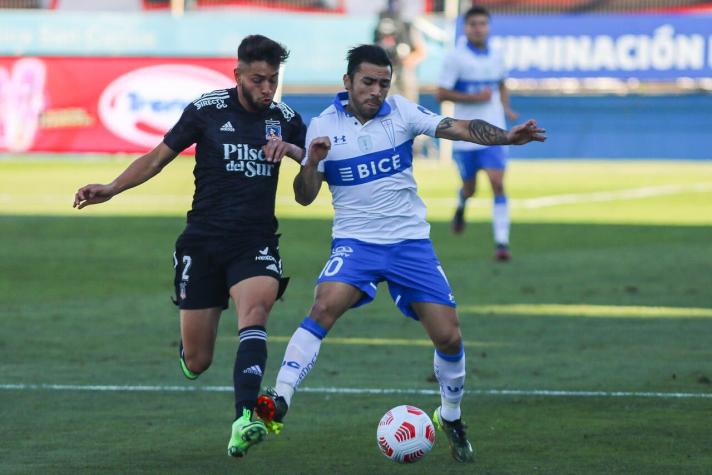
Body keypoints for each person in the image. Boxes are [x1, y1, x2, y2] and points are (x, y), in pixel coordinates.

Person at [254, 44, 545, 463]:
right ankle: (279, 397)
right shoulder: (323, 124)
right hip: (356, 242)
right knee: (323, 306)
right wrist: (312, 163)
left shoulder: (403, 113)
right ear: (348, 82)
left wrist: (504, 137)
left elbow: (455, 127)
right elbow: (304, 197)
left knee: (449, 335)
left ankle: (450, 415)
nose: (376, 91)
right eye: (368, 82)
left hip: (410, 243)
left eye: (383, 83)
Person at [72, 35, 307, 458]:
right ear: (238, 75)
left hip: (255, 241)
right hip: (202, 243)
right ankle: (190, 349)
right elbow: (157, 157)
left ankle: (244, 418)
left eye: (273, 80)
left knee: (255, 312)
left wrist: (296, 154)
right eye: (258, 79)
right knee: (198, 362)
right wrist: (112, 188)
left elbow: (309, 188)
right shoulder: (206, 110)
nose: (267, 89)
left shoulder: (287, 119)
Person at [437, 5, 519, 261]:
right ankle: (462, 205)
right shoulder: (455, 57)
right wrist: (474, 97)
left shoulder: (497, 54)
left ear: (489, 27)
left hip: (494, 132)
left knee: (497, 183)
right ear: (466, 28)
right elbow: (441, 93)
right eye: (473, 24)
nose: (478, 29)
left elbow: (502, 82)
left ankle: (502, 243)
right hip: (466, 133)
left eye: (482, 24)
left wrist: (506, 107)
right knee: (470, 188)